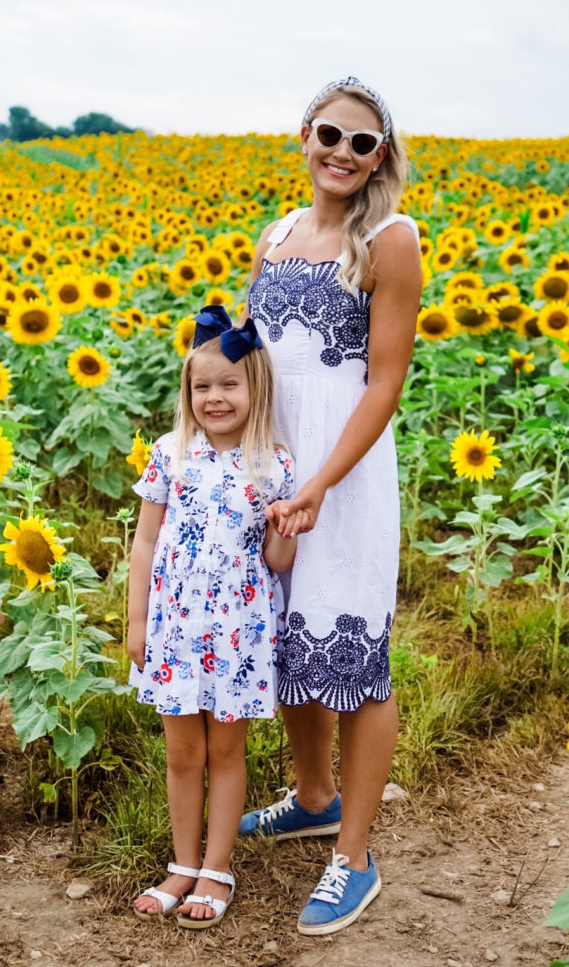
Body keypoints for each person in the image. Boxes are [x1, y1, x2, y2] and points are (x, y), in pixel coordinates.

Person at [239, 76, 423, 935]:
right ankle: (311, 798)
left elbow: (384, 382)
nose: (342, 153)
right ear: (303, 136)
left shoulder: (391, 239)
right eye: (329, 134)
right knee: (285, 641)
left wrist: (318, 483)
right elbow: (256, 364)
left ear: (381, 155)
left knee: (351, 657)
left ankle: (353, 855)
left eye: (363, 142)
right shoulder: (274, 237)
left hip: (343, 479)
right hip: (274, 468)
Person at [127, 306, 301, 929]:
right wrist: (137, 621)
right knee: (181, 753)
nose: (214, 397)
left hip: (237, 632)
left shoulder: (274, 464)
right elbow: (146, 543)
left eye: (229, 384)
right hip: (175, 629)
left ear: (256, 389)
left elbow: (277, 559)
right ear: (187, 392)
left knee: (226, 751)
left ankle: (216, 867)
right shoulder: (171, 454)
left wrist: (288, 526)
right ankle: (181, 862)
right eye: (202, 386)